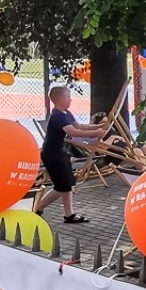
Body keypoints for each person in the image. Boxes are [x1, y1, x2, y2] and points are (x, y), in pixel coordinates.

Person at [33, 86, 107, 223]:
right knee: (62, 186)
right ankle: (37, 207)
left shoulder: (66, 113)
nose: (70, 99)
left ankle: (69, 214)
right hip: (52, 155)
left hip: (61, 152)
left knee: (67, 184)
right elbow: (73, 132)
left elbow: (79, 126)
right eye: (68, 96)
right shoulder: (57, 116)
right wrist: (95, 133)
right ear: (60, 98)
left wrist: (98, 127)